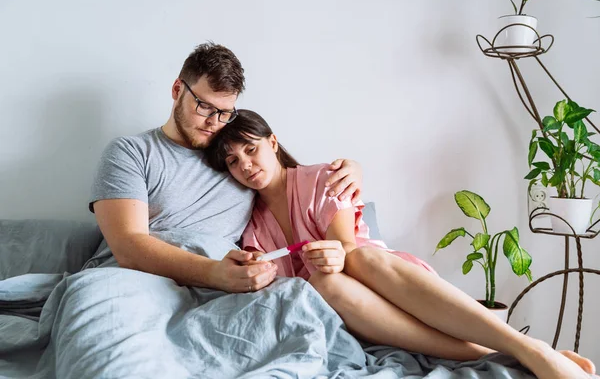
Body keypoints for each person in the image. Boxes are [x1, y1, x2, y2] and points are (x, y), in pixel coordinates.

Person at [205, 109, 597, 379]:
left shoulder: (323, 178)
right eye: (234, 162)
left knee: (351, 261)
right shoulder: (251, 224)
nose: (246, 165)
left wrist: (335, 252)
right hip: (352, 314)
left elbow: (346, 247)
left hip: (388, 283)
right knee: (323, 284)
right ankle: (507, 353)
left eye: (251, 149)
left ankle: (529, 347)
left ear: (273, 143)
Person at [89, 42, 362, 294]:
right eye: (204, 106)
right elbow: (127, 246)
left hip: (222, 290)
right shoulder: (130, 152)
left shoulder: (234, 160)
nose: (214, 122)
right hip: (140, 281)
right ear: (177, 90)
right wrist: (213, 273)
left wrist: (349, 169)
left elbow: (286, 179)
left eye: (224, 113)